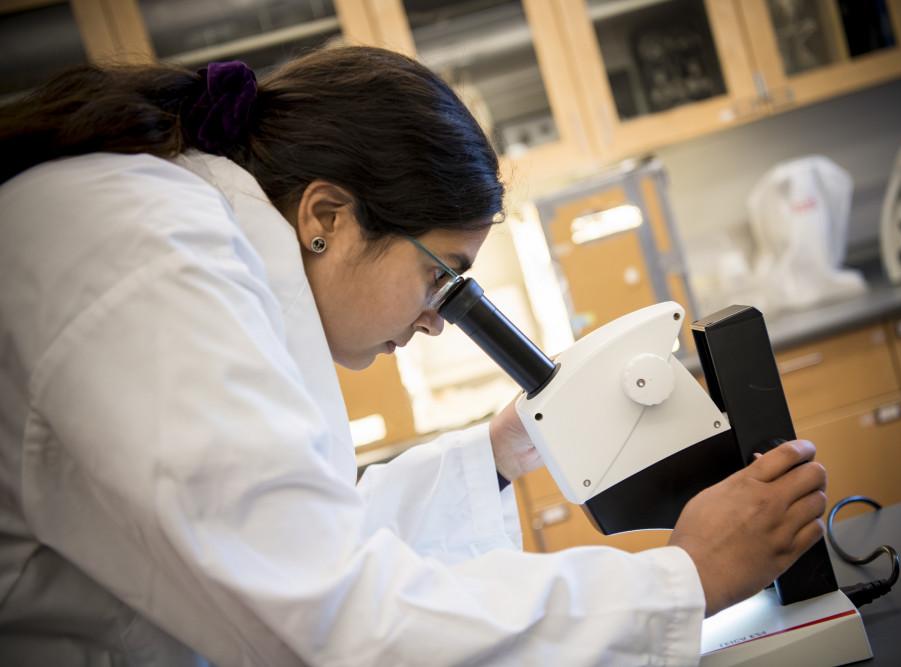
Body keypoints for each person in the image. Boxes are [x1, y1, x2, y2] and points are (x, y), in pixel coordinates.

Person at [0, 46, 828, 665]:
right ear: (327, 215)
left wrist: (501, 450)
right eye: (443, 276)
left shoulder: (181, 236)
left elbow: (299, 546)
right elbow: (334, 621)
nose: (438, 320)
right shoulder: (151, 257)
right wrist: (684, 577)